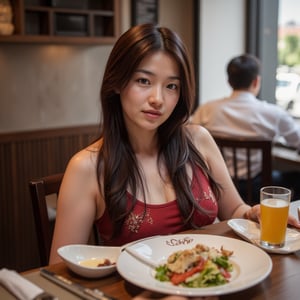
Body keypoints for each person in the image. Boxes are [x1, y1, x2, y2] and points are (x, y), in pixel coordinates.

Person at [49, 25, 300, 281]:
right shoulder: (87, 166)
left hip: (212, 287)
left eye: (171, 86)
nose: (158, 98)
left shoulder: (198, 140)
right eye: (143, 81)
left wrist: (251, 213)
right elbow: (59, 273)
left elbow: (233, 209)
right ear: (117, 82)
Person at [190, 54, 300, 203]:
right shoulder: (274, 114)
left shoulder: (207, 109)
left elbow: (189, 135)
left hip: (219, 185)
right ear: (256, 81)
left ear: (229, 81)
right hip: (258, 188)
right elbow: (297, 140)